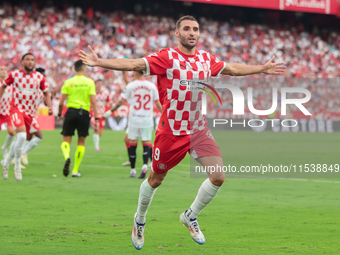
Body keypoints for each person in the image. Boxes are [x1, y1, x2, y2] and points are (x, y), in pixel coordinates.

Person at [79, 15, 285, 249]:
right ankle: (140, 219)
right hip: (172, 131)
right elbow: (134, 64)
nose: (192, 33)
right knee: (156, 180)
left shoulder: (206, 59)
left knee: (218, 176)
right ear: (177, 33)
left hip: (197, 129)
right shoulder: (167, 57)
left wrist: (262, 68)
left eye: (195, 29)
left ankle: (190, 216)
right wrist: (100, 62)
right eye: (186, 29)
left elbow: (233, 69)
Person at [0, 53, 52, 181]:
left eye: (32, 60)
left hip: (30, 113)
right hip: (16, 109)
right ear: (22, 62)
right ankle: (17, 165)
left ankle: (6, 162)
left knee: (19, 139)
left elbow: (46, 93)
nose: (30, 61)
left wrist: (49, 107)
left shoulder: (39, 77)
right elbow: (4, 86)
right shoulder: (14, 74)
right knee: (22, 136)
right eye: (27, 59)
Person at [103, 71, 162, 178]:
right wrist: (164, 115)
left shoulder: (132, 85)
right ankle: (144, 166)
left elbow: (121, 101)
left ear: (135, 72)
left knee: (133, 143)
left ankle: (133, 170)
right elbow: (157, 103)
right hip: (147, 119)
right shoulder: (151, 86)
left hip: (134, 119)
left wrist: (109, 112)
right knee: (147, 142)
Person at [58, 60, 98, 178]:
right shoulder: (90, 82)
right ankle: (75, 170)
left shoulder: (69, 82)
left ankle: (67, 157)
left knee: (66, 140)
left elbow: (61, 102)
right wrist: (96, 118)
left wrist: (59, 114)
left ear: (74, 69)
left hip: (71, 112)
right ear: (84, 68)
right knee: (81, 142)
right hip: (84, 113)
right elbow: (94, 102)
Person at [20, 67, 46, 165]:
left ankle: (16, 158)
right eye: (43, 76)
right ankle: (22, 154)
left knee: (28, 137)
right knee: (38, 136)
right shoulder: (30, 87)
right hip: (26, 114)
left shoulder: (41, 89)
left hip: (31, 115)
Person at [91, 79, 111, 152]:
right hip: (94, 114)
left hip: (102, 115)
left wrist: (107, 111)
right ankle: (97, 148)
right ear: (95, 85)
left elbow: (110, 102)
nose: (99, 85)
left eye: (100, 84)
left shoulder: (105, 93)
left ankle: (96, 140)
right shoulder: (92, 93)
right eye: (97, 84)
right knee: (96, 129)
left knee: (100, 133)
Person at [0, 66, 15, 160]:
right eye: (1, 69)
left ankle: (4, 148)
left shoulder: (11, 84)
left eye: (5, 69)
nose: (4, 71)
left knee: (12, 132)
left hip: (8, 112)